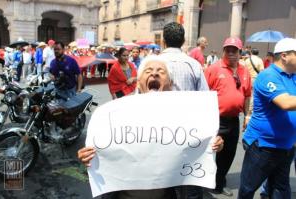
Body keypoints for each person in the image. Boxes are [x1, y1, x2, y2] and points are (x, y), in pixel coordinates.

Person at [78, 56, 224, 199]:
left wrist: (212, 144)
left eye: (161, 71)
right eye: (148, 71)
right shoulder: (118, 114)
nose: (154, 73)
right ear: (139, 82)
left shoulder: (184, 117)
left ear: (170, 83)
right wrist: (89, 156)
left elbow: (198, 144)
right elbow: (101, 151)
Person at [158, 22, 218, 199]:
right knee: (189, 185)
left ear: (163, 41)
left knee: (163, 185)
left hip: (158, 137)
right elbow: (205, 104)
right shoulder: (193, 65)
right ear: (183, 41)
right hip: (189, 136)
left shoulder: (149, 65)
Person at [238, 38, 296, 199]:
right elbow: (285, 102)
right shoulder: (268, 76)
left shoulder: (293, 76)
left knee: (280, 189)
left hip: (286, 146)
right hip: (263, 146)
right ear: (284, 56)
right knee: (248, 188)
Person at [204, 36, 252, 196]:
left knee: (229, 153)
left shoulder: (244, 70)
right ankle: (204, 180)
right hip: (215, 119)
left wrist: (247, 116)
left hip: (233, 120)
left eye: (234, 50)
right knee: (210, 151)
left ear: (240, 52)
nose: (231, 52)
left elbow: (246, 95)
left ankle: (219, 181)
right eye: (228, 49)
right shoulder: (213, 69)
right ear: (224, 50)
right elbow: (203, 94)